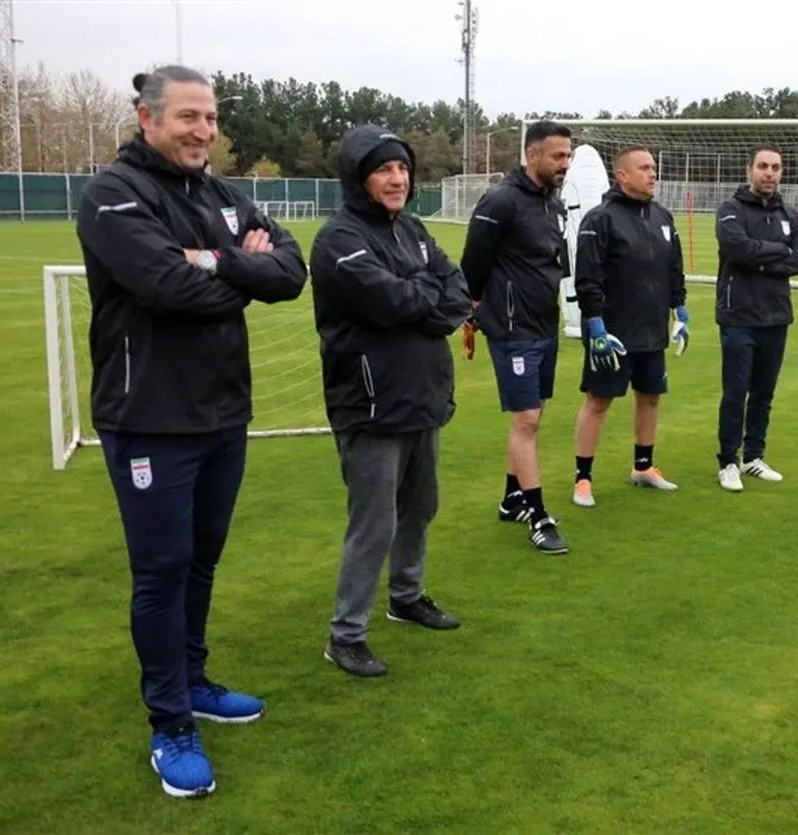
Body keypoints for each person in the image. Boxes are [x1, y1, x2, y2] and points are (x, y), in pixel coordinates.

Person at [75, 66, 308, 798]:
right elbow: (165, 287)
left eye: (209, 117)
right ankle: (170, 723)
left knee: (202, 559)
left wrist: (212, 260)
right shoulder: (113, 193)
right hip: (148, 415)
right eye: (188, 116)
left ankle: (194, 679)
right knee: (163, 569)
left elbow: (290, 272)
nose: (203, 130)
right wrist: (242, 271)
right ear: (148, 119)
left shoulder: (221, 194)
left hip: (222, 411)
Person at [309, 124, 472, 679]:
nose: (397, 178)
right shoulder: (338, 239)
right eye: (383, 168)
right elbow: (391, 301)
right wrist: (425, 295)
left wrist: (423, 296)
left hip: (422, 396)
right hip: (371, 405)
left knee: (420, 509)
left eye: (402, 167)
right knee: (373, 524)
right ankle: (346, 636)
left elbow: (455, 291)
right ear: (359, 177)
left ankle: (406, 597)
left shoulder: (414, 230)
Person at [460, 120, 573, 555]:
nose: (565, 163)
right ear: (532, 155)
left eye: (568, 155)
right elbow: (473, 263)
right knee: (526, 419)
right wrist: (471, 311)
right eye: (557, 156)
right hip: (511, 326)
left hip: (545, 324)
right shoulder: (501, 200)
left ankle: (512, 499)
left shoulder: (553, 203)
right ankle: (538, 516)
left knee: (535, 415)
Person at [570, 145, 689, 507]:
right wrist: (595, 326)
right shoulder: (600, 219)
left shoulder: (662, 217)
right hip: (613, 332)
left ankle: (643, 467)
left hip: (652, 328)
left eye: (653, 167)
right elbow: (587, 278)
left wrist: (680, 311)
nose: (653, 173)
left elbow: (674, 269)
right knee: (599, 401)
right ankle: (583, 479)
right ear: (622, 175)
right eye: (644, 168)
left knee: (650, 397)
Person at [712, 143, 798, 492]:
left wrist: (763, 261)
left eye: (775, 167)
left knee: (764, 393)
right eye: (763, 166)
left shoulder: (789, 213)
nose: (769, 173)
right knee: (735, 393)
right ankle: (728, 461)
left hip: (776, 316)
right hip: (738, 316)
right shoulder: (731, 210)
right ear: (749, 170)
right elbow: (738, 249)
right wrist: (779, 251)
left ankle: (753, 456)